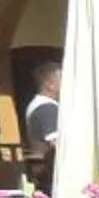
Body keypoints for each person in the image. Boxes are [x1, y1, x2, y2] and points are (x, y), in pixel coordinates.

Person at [23, 61, 63, 191]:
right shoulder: (47, 108)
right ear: (50, 84)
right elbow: (57, 143)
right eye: (62, 80)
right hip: (52, 172)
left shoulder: (39, 105)